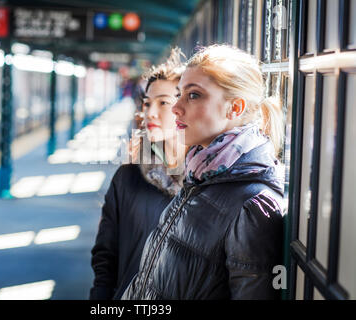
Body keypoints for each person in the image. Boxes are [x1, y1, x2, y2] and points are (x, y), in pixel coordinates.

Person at [121, 44, 286, 300]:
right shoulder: (201, 174)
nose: (176, 107)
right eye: (179, 94)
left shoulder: (251, 205)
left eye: (194, 95)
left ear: (235, 108)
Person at [89, 48, 187, 300]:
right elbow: (105, 257)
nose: (149, 113)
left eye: (163, 102)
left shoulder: (207, 185)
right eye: (147, 103)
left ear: (185, 106)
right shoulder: (127, 178)